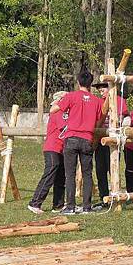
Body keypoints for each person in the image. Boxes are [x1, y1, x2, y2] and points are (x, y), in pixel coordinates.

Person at [50, 71, 103, 214]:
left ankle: (71, 206)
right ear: (91, 83)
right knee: (87, 173)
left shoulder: (71, 96)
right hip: (87, 139)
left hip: (72, 138)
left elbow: (54, 110)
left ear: (78, 82)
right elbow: (99, 118)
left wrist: (58, 101)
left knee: (70, 174)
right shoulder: (97, 101)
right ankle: (87, 206)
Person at [28, 91, 68, 214]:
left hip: (61, 149)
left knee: (61, 177)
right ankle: (35, 202)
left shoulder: (61, 112)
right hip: (52, 148)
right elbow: (65, 127)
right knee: (50, 172)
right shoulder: (58, 112)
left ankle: (58, 205)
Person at [92, 82, 129, 210]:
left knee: (112, 169)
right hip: (100, 139)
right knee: (100, 170)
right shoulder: (97, 101)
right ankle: (104, 197)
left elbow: (125, 116)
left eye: (103, 88)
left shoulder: (120, 100)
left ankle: (115, 193)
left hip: (113, 139)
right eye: (99, 89)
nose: (100, 90)